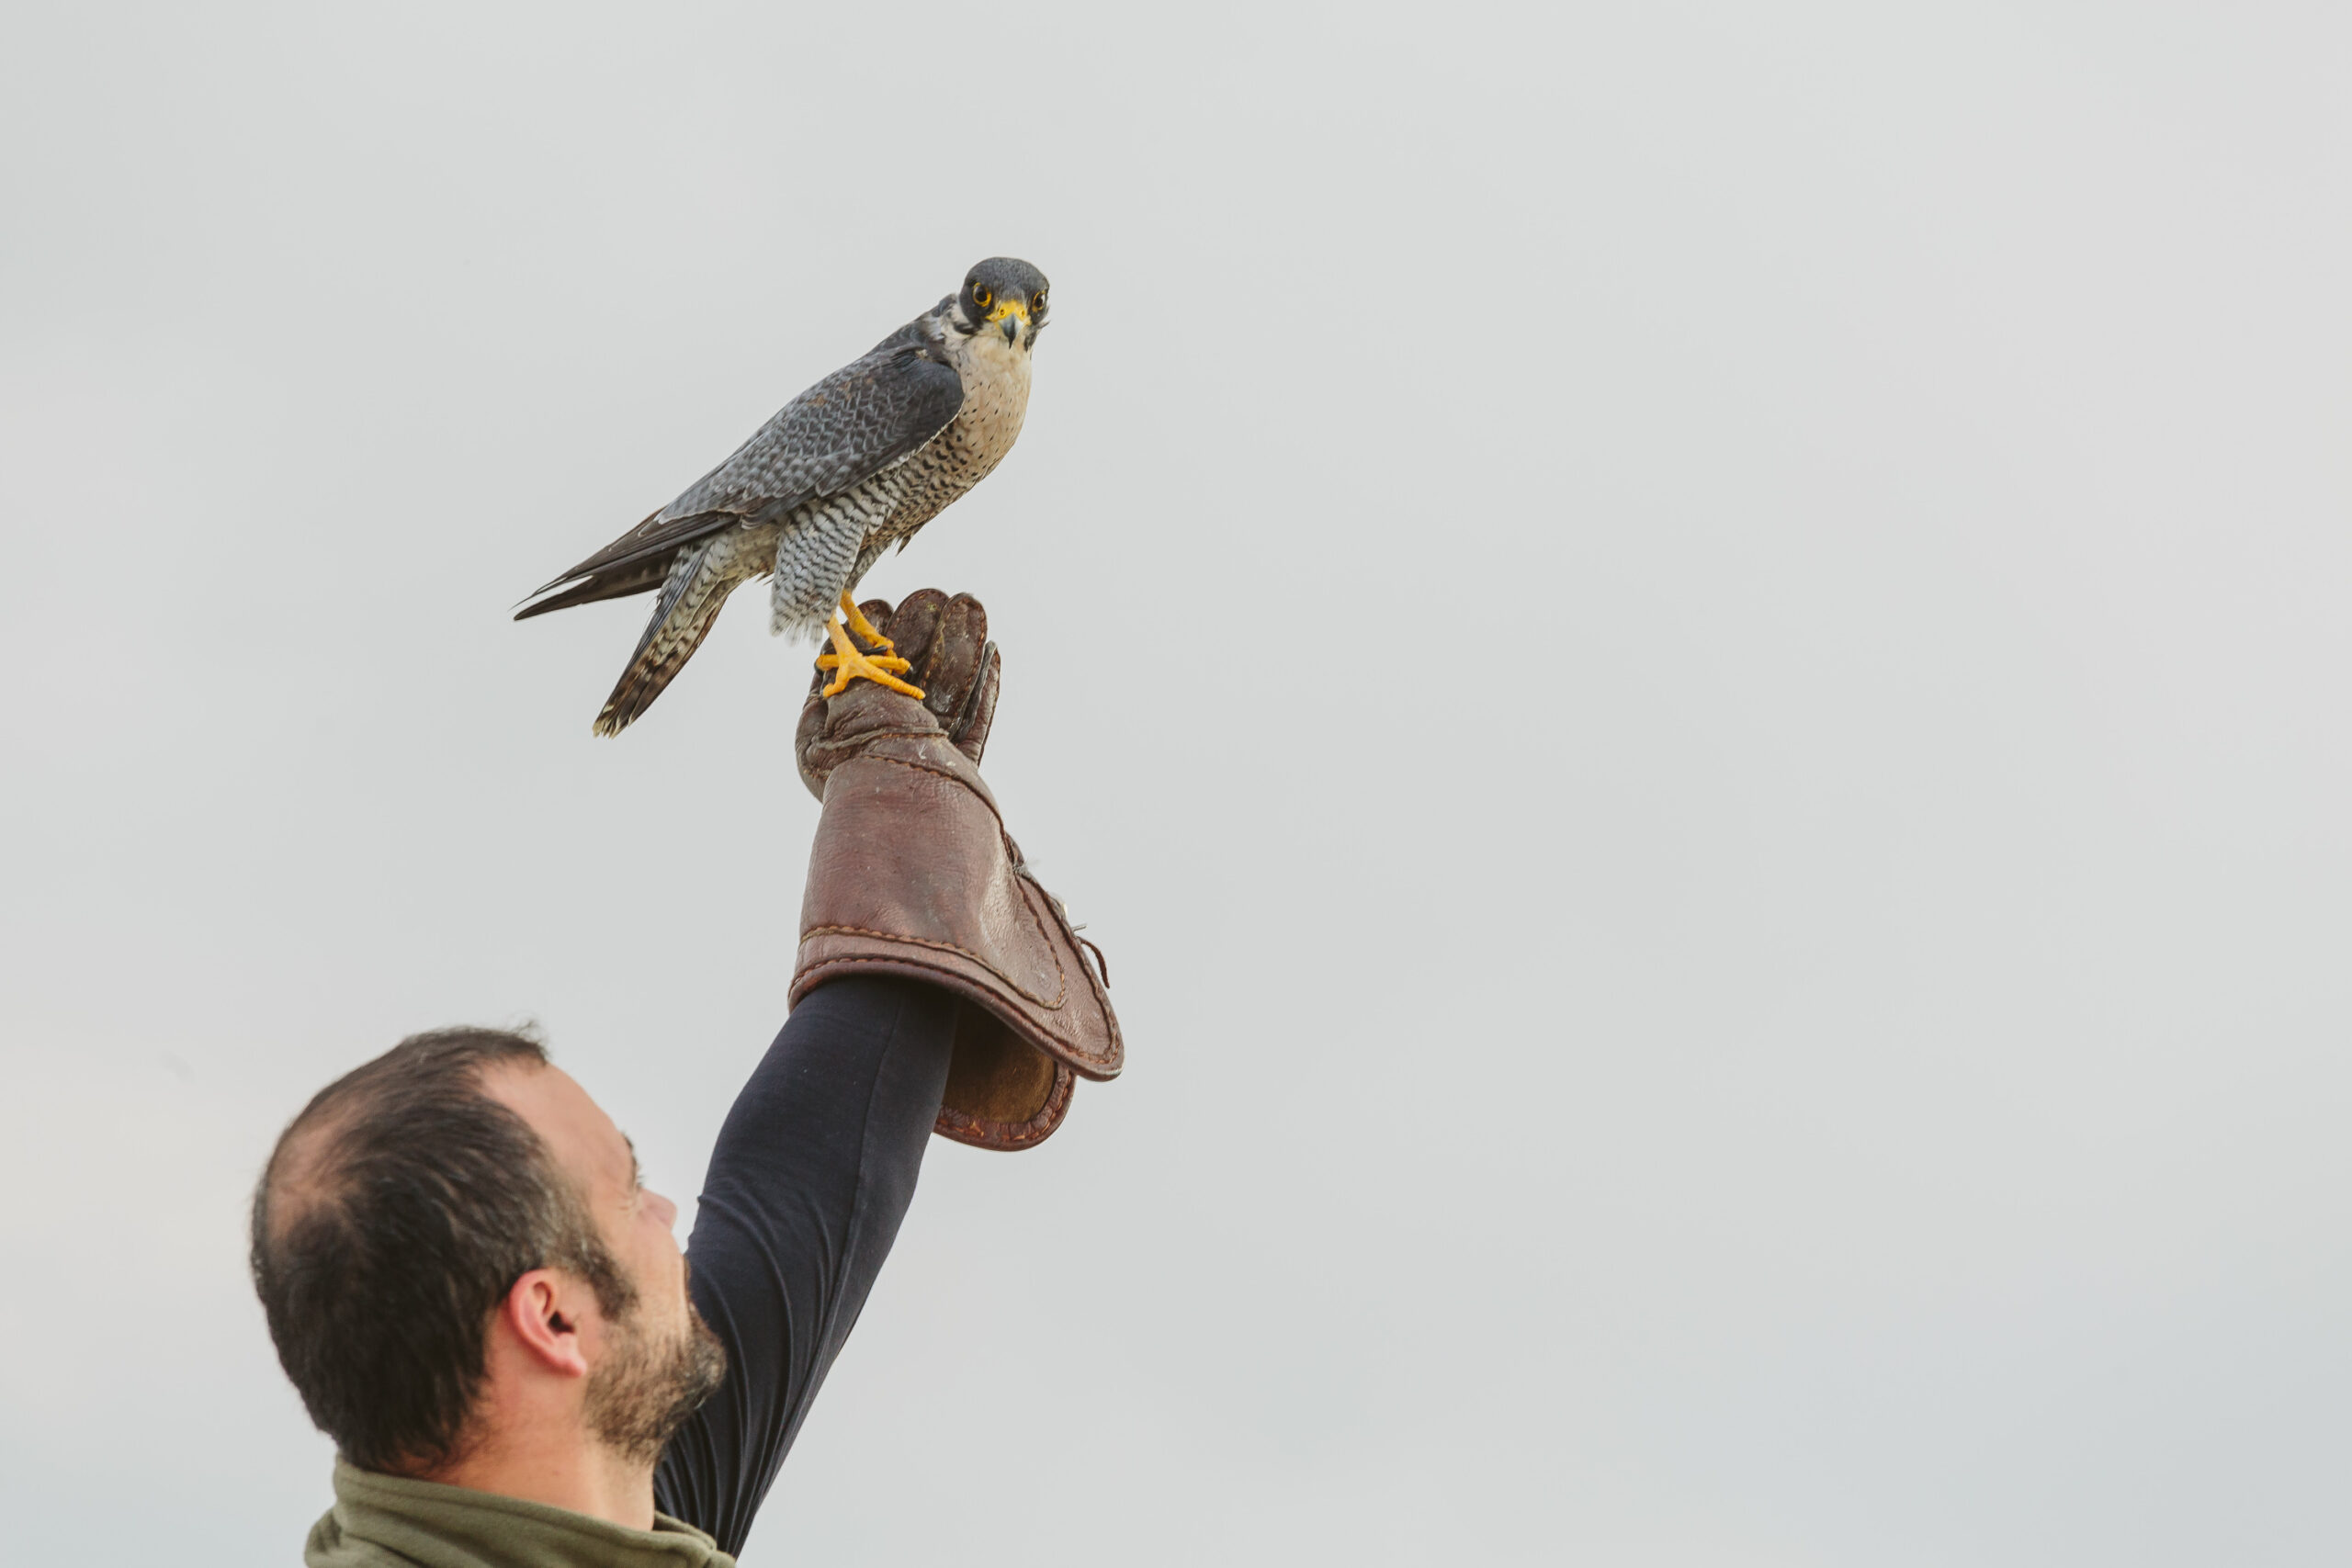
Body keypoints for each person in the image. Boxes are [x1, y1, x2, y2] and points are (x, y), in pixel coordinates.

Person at [250, 592, 1122, 1567]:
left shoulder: (610, 1487)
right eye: (626, 1191)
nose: (667, 1213)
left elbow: (805, 1183)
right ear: (552, 1317)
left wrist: (906, 806)